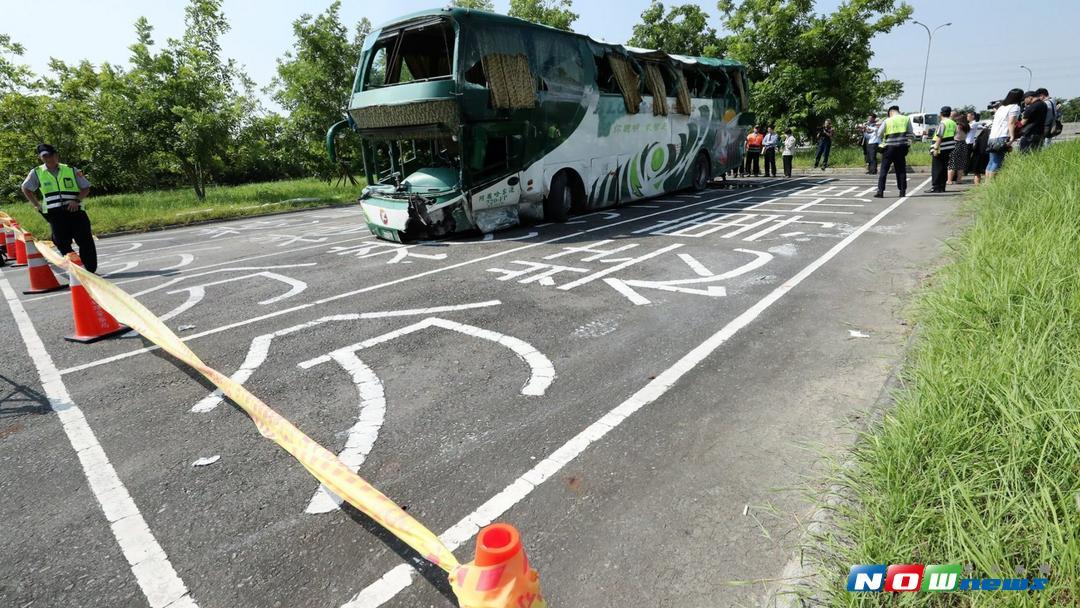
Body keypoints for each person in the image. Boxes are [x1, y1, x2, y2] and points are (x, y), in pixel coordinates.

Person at [20, 144, 97, 272]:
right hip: (54, 213)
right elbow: (26, 188)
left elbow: (86, 187)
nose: (49, 158)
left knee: (85, 240)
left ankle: (90, 269)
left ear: (56, 155)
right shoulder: (37, 172)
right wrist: (36, 205)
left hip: (75, 210)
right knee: (61, 242)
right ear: (40, 158)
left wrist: (77, 200)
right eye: (45, 156)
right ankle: (76, 264)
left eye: (51, 155)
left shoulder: (71, 170)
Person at [874, 105, 913, 198]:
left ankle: (880, 191)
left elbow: (879, 134)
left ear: (890, 112)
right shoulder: (906, 119)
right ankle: (902, 191)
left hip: (889, 148)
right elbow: (911, 133)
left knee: (884, 170)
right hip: (901, 148)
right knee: (901, 170)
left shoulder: (887, 121)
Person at [986, 89, 1023, 180]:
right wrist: (1012, 136)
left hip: (992, 136)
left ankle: (987, 183)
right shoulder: (1015, 107)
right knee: (997, 162)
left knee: (991, 161)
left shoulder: (1001, 107)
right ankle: (991, 184)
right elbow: (1011, 123)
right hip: (1002, 136)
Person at [929, 106, 957, 192]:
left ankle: (936, 187)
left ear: (941, 113)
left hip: (941, 148)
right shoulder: (953, 123)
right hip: (949, 148)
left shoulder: (943, 123)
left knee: (937, 168)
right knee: (944, 167)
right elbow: (954, 134)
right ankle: (942, 186)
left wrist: (935, 148)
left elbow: (939, 136)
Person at [970, 121, 991, 185]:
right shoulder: (991, 137)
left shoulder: (979, 137)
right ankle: (987, 185)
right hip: (987, 157)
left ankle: (977, 187)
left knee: (977, 173)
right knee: (987, 172)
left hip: (977, 157)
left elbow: (974, 147)